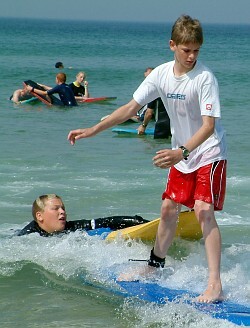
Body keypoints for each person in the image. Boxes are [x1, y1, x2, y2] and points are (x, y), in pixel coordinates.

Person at [67, 15, 227, 303]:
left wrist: (181, 152)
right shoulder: (161, 75)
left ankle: (215, 284)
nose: (191, 56)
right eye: (186, 50)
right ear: (172, 45)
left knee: (203, 210)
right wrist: (93, 129)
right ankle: (154, 267)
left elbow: (208, 126)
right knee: (168, 209)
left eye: (196, 51)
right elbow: (130, 108)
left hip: (208, 152)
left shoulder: (205, 78)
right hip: (182, 155)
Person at [18, 194, 148, 237]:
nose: (62, 212)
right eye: (55, 209)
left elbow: (105, 221)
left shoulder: (70, 227)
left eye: (63, 208)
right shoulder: (27, 236)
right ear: (39, 216)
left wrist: (140, 222)